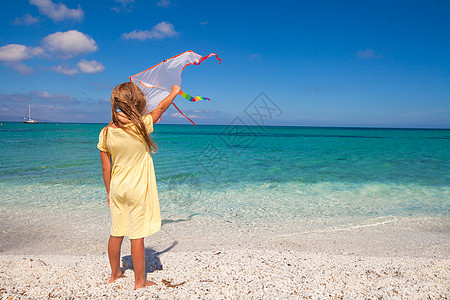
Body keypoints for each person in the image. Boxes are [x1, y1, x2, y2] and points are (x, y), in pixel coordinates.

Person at [98, 82, 181, 289]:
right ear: (137, 103)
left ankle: (115, 274)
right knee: (137, 235)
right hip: (137, 189)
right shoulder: (142, 125)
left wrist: (109, 192)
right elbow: (160, 108)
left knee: (116, 231)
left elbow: (105, 169)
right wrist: (174, 92)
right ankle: (140, 281)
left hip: (117, 188)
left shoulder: (106, 132)